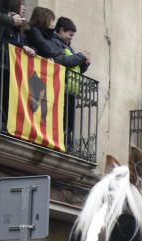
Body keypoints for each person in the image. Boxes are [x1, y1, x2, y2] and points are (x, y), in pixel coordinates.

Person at [50, 17, 90, 151]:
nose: (71, 38)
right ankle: (61, 143)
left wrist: (84, 65)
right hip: (61, 88)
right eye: (70, 35)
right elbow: (62, 61)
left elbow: (75, 68)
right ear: (61, 30)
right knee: (61, 118)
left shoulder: (69, 48)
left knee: (69, 121)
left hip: (71, 90)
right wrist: (80, 56)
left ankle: (67, 144)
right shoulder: (54, 43)